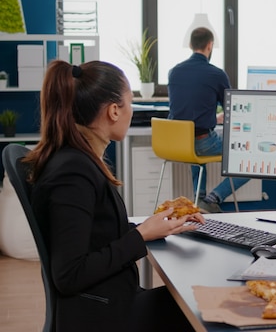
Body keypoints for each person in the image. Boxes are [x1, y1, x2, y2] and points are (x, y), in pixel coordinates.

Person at [24, 60, 205, 331]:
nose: (132, 111)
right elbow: (69, 275)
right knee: (202, 310)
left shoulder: (77, 159)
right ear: (113, 111)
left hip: (110, 302)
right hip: (103, 316)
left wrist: (159, 228)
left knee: (195, 301)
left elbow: (97, 236)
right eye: (131, 103)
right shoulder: (73, 173)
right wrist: (140, 236)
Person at [168, 27, 249, 213]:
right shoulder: (216, 74)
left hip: (179, 142)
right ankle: (214, 198)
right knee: (247, 159)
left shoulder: (174, 72)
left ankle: (200, 200)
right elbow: (231, 108)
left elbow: (186, 111)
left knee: (198, 150)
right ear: (210, 45)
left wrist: (213, 117)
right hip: (201, 141)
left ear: (190, 45)